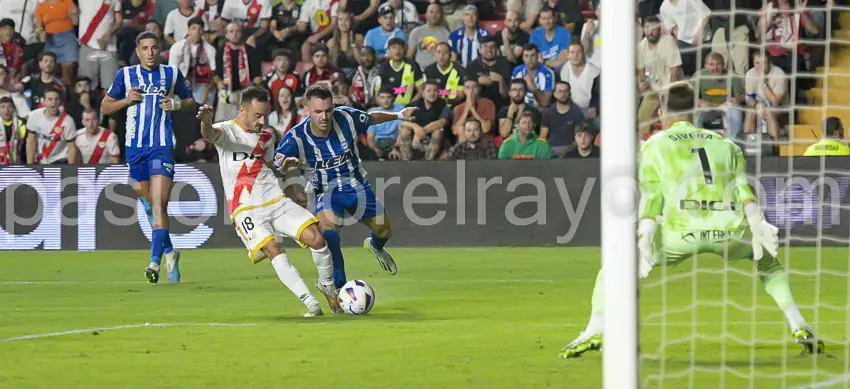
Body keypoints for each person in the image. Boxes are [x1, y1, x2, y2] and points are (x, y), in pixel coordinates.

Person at [559, 82, 825, 359]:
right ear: (697, 112)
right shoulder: (726, 144)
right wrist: (757, 220)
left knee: (613, 269)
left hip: (679, 233)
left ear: (661, 113)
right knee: (768, 261)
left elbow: (652, 196)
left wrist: (645, 233)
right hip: (729, 230)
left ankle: (593, 331)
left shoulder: (653, 146)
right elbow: (743, 189)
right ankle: (799, 325)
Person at [196, 87, 340, 317]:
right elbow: (209, 134)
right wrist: (206, 121)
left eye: (265, 115)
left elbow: (271, 169)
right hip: (245, 209)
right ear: (243, 110)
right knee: (274, 249)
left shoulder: (267, 137)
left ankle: (328, 288)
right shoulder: (226, 131)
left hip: (275, 200)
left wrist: (288, 178)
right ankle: (310, 302)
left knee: (317, 239)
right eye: (258, 116)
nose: (262, 121)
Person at [273, 84, 417, 289]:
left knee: (384, 231)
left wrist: (399, 116)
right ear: (307, 111)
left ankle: (375, 246)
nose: (324, 117)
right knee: (329, 234)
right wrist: (285, 168)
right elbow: (275, 168)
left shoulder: (346, 117)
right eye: (318, 112)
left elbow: (371, 118)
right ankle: (339, 288)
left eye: (328, 110)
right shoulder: (295, 138)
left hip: (357, 186)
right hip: (325, 192)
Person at [101, 31, 197, 285]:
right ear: (138, 51)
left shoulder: (171, 74)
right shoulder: (126, 75)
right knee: (147, 204)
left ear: (160, 49)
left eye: (154, 48)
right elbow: (105, 107)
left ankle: (154, 263)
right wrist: (126, 100)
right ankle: (170, 252)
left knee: (158, 203)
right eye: (145, 48)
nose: (150, 53)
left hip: (162, 146)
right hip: (134, 149)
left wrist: (177, 105)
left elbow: (190, 101)